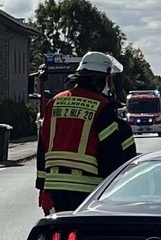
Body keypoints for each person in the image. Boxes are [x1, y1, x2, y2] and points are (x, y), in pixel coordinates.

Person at [36, 51, 137, 214]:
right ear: (104, 78)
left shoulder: (55, 102)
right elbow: (110, 153)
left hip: (55, 186)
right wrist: (114, 188)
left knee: (59, 232)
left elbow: (43, 145)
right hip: (89, 188)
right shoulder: (102, 106)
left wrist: (42, 186)